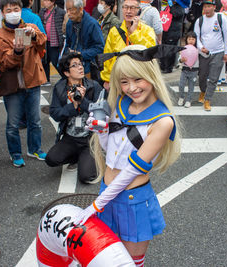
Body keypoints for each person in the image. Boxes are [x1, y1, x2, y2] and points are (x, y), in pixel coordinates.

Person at [72, 44, 181, 267]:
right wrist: (100, 129)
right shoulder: (120, 103)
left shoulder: (163, 121)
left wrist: (95, 206)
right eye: (124, 81)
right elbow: (108, 150)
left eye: (137, 79)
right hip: (107, 192)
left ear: (150, 75)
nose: (131, 88)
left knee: (131, 264)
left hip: (132, 201)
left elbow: (131, 171)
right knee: (105, 261)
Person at [0, 0, 48, 167]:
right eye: (8, 10)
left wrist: (33, 35)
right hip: (13, 84)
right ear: (3, 13)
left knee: (35, 120)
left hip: (32, 81)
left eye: (16, 9)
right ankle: (15, 153)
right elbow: (6, 62)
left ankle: (35, 148)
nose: (13, 12)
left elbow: (43, 41)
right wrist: (17, 51)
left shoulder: (30, 26)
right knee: (13, 123)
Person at [45, 52, 102, 184]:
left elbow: (100, 113)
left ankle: (94, 156)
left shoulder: (94, 86)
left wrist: (83, 101)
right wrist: (73, 106)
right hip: (70, 137)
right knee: (51, 159)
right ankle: (78, 157)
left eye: (80, 64)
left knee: (87, 177)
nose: (80, 67)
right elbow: (55, 113)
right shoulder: (60, 88)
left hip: (90, 138)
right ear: (66, 73)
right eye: (74, 66)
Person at [101, 0, 156, 90]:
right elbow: (108, 57)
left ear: (139, 10)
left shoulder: (147, 30)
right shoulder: (114, 31)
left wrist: (134, 33)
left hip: (139, 80)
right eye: (125, 7)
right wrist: (107, 79)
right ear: (122, 9)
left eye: (132, 8)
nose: (128, 11)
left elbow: (150, 53)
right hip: (118, 80)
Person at [194, 0, 227, 111]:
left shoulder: (221, 18)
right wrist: (201, 48)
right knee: (202, 76)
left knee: (214, 78)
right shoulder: (199, 20)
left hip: (218, 52)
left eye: (209, 6)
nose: (207, 9)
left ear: (214, 7)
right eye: (205, 7)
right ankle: (203, 91)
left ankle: (207, 99)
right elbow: (196, 36)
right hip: (204, 53)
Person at [65, 0, 104, 79]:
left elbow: (100, 48)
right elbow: (67, 44)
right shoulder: (69, 23)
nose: (68, 13)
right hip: (72, 67)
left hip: (88, 68)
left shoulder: (92, 24)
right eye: (67, 10)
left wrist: (81, 54)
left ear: (80, 9)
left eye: (71, 10)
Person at [39, 0, 65, 85]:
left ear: (52, 2)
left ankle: (65, 77)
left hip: (55, 41)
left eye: (46, 1)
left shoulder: (60, 12)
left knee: (55, 61)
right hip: (45, 40)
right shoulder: (42, 11)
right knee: (45, 60)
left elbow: (63, 26)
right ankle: (46, 79)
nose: (44, 2)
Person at [160, 0, 185, 73]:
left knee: (170, 50)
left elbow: (176, 14)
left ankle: (168, 68)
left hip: (173, 32)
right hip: (166, 31)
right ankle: (163, 66)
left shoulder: (180, 7)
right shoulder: (168, 6)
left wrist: (171, 6)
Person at [177, 31, 198, 108]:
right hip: (184, 70)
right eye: (189, 39)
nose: (191, 41)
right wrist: (181, 60)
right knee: (181, 85)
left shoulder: (197, 49)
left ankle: (189, 100)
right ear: (186, 40)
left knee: (191, 86)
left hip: (194, 71)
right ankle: (181, 97)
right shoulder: (184, 49)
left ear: (196, 40)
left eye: (193, 39)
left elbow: (203, 57)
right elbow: (179, 59)